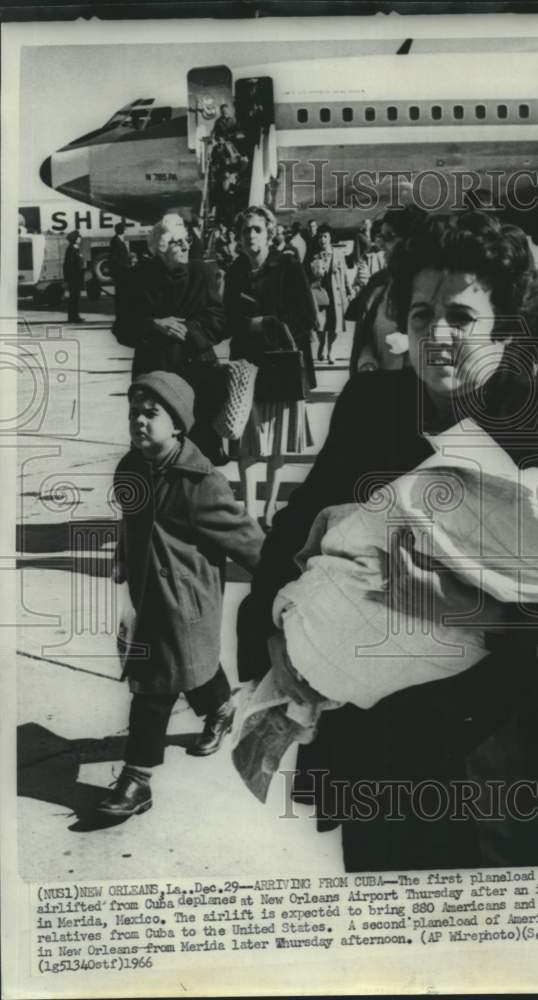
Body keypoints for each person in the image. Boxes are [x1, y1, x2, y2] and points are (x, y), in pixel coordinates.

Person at [243, 210, 538, 872]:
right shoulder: (372, 409)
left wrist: (474, 612)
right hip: (389, 753)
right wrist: (272, 639)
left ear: (504, 327)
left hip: (510, 760)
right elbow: (292, 530)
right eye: (420, 315)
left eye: (460, 316)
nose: (437, 335)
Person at [98, 371, 264, 819]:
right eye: (134, 413)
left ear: (177, 425)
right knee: (193, 669)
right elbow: (131, 522)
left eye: (151, 414)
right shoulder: (130, 469)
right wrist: (122, 555)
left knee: (153, 687)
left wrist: (283, 578)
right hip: (150, 595)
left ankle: (137, 779)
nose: (139, 422)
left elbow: (247, 539)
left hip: (187, 601)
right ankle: (222, 709)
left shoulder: (199, 481)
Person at [224, 206, 317, 527]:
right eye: (246, 230)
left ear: (269, 233)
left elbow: (307, 316)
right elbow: (226, 318)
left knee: (277, 442)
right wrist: (245, 324)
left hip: (282, 365)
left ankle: (270, 508)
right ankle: (250, 511)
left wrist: (269, 324)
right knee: (247, 443)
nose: (251, 235)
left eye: (257, 230)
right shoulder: (236, 269)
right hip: (247, 366)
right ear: (238, 237)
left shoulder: (288, 264)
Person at [111, 212, 226, 463]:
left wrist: (191, 330)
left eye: (185, 240)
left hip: (197, 372)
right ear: (161, 248)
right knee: (154, 446)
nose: (186, 246)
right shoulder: (137, 278)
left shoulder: (202, 273)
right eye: (177, 242)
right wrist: (153, 325)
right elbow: (122, 328)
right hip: (155, 375)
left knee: (199, 447)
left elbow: (218, 320)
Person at [348, 206, 424, 373]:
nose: (380, 243)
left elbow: (455, 349)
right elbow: (367, 338)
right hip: (382, 391)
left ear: (412, 240)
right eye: (380, 235)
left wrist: (412, 344)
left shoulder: (437, 287)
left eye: (389, 236)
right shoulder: (379, 283)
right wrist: (366, 362)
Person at [311, 224, 353, 364]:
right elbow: (309, 276)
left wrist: (349, 289)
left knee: (334, 324)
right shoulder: (313, 255)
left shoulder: (339, 254)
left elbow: (345, 274)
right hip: (320, 294)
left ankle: (331, 351)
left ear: (329, 238)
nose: (322, 239)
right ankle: (322, 344)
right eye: (320, 237)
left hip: (336, 294)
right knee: (321, 323)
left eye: (325, 236)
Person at [63, 231, 85, 322]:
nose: (80, 239)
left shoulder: (75, 248)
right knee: (74, 297)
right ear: (75, 239)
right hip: (74, 277)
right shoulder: (72, 249)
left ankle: (75, 316)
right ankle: (73, 317)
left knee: (76, 297)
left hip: (76, 277)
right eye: (79, 237)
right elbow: (69, 265)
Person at [108, 222, 131, 292]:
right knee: (120, 288)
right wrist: (123, 267)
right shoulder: (116, 241)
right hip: (120, 270)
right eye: (125, 229)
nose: (126, 231)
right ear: (122, 230)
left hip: (122, 268)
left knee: (122, 288)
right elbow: (114, 256)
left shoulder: (119, 239)